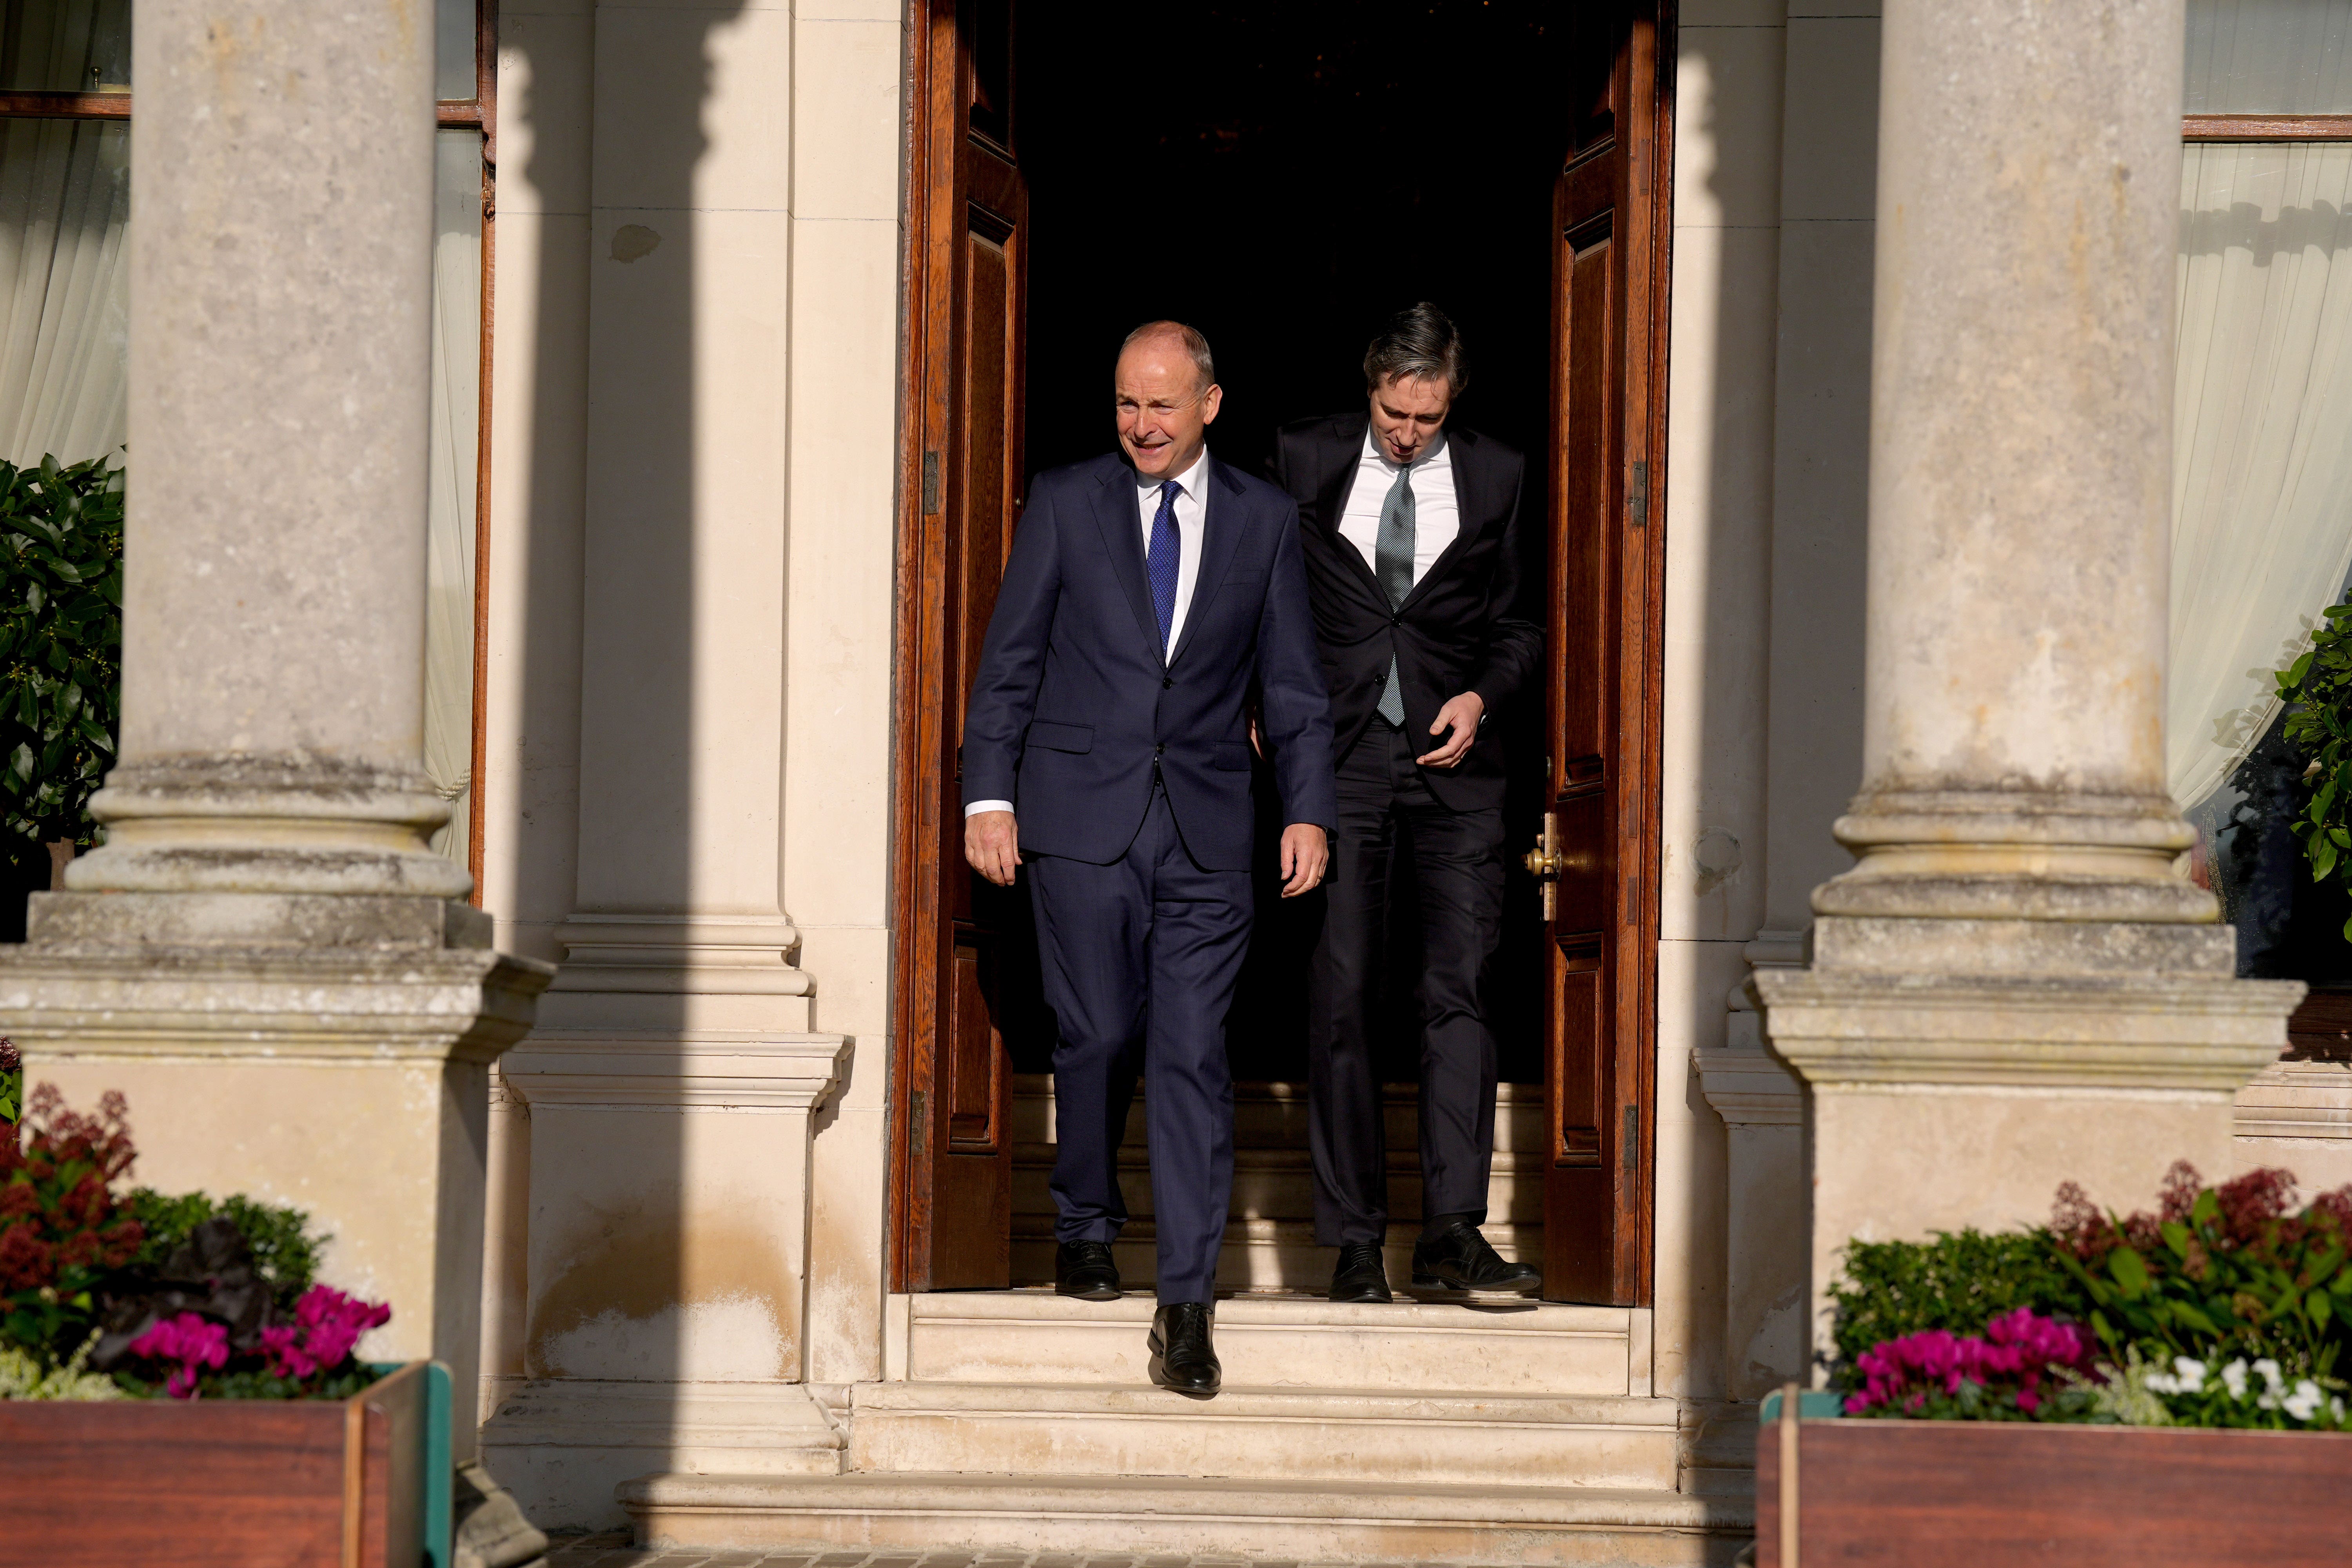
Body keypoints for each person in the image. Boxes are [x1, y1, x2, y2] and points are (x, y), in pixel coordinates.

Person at [962, 320, 1336, 1394]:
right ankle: (1084, 1216)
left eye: (1163, 405)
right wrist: (990, 794)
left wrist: (1304, 810)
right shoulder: (1067, 501)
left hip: (1212, 831)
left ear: (1210, 404)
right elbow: (1010, 662)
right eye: (1128, 403)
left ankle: (1185, 1305)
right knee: (1094, 1034)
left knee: (1190, 1054)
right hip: (1077, 818)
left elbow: (1295, 683)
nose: (1143, 425)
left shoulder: (1264, 518)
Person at [1269, 303, 1542, 1305]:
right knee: (1342, 996)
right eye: (1394, 412)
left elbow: (1518, 623)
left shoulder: (1497, 473)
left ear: (1451, 400)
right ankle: (1352, 1242)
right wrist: (1270, 708)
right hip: (1339, 761)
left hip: (1456, 769)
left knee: (1459, 992)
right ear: (1371, 387)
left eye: (1426, 417)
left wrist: (1481, 695)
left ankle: (1453, 1232)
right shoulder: (1305, 455)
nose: (1407, 433)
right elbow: (1268, 596)